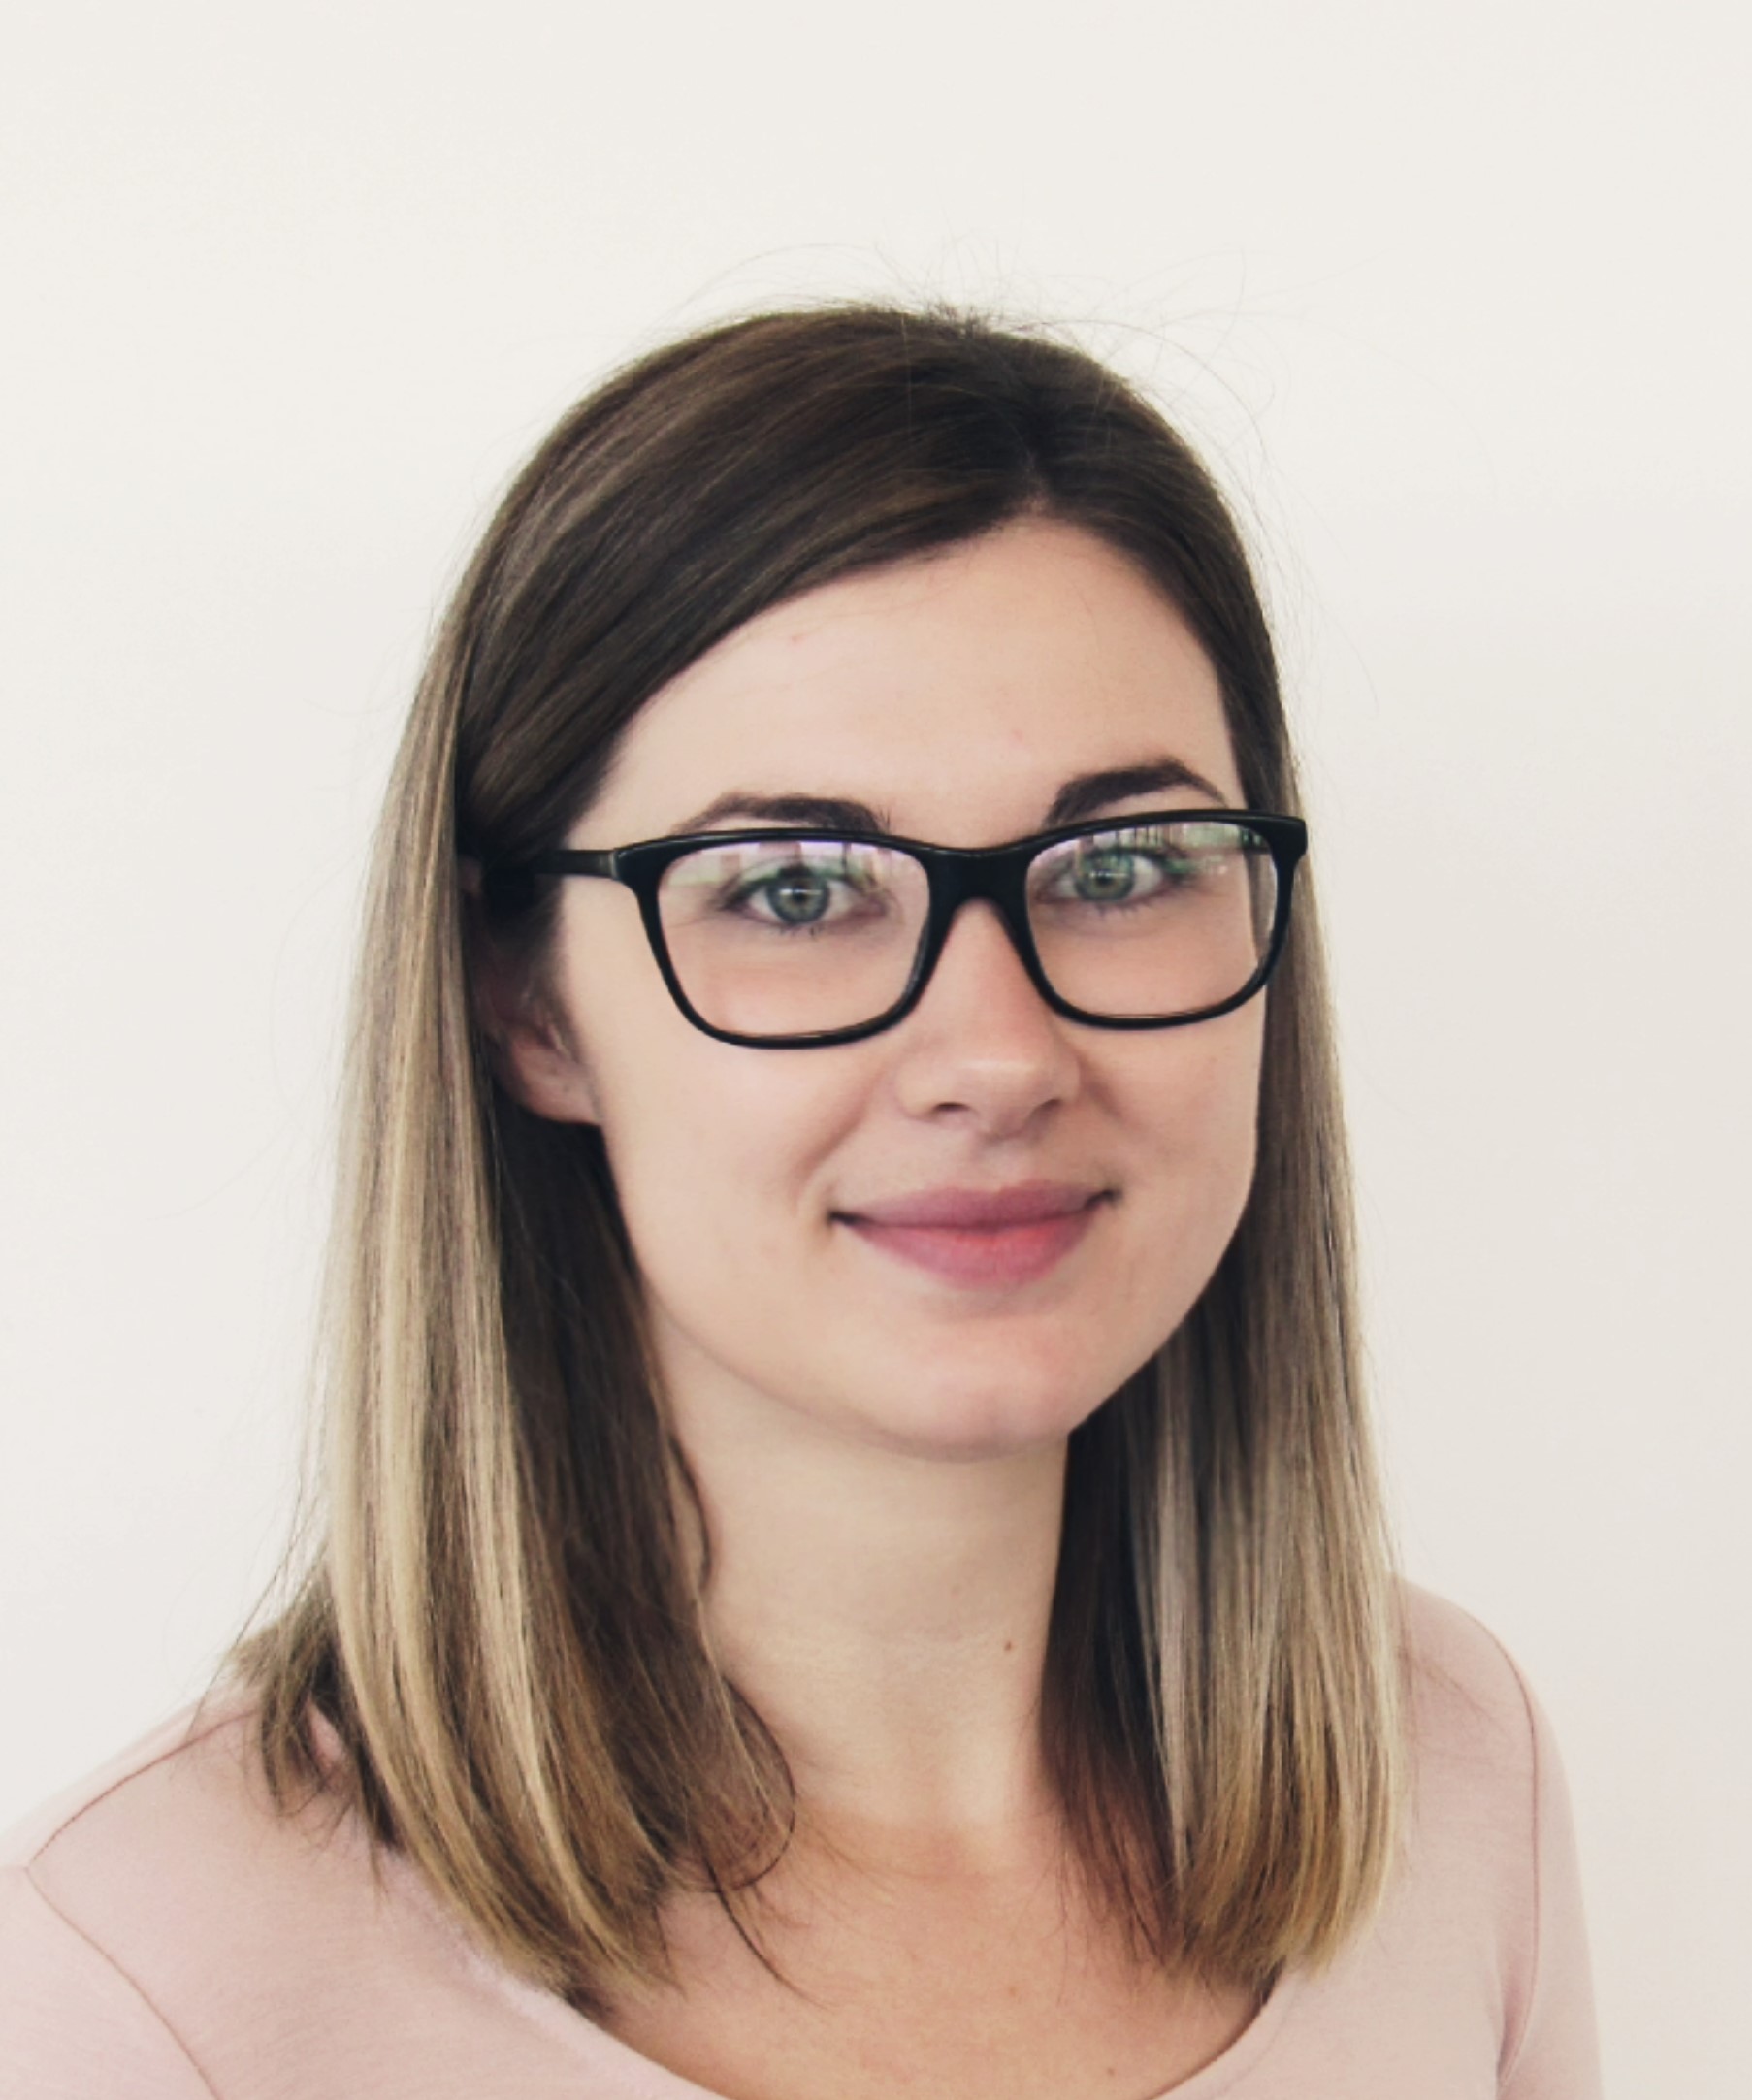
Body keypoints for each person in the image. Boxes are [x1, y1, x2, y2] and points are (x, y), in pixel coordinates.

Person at [0, 304, 1600, 2098]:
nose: (995, 1054)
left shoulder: (1453, 1781)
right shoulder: (145, 1984)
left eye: (1126, 864)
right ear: (527, 1004)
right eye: (790, 891)